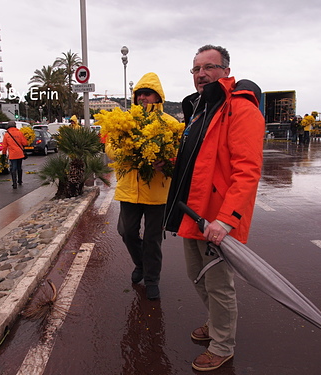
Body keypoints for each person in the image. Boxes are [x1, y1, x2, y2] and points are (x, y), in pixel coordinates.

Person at [163, 45, 265, 371]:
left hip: (216, 219)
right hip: (193, 211)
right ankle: (215, 322)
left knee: (219, 285)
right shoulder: (200, 109)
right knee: (197, 276)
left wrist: (226, 220)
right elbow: (197, 160)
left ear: (225, 70)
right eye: (196, 69)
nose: (201, 74)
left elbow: (247, 171)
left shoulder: (240, 108)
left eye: (209, 67)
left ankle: (223, 344)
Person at [105, 72, 179, 300]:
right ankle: (141, 264)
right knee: (126, 232)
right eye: (139, 94)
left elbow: (179, 155)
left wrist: (167, 160)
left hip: (157, 193)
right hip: (129, 190)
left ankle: (152, 279)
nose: (143, 98)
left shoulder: (170, 124)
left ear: (158, 96)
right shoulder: (125, 121)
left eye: (148, 93)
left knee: (152, 239)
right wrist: (126, 151)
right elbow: (110, 148)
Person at [2, 120, 28, 189]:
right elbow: (25, 143)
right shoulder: (19, 133)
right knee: (19, 167)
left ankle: (14, 183)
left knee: (13, 168)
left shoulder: (6, 135)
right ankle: (20, 180)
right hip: (20, 153)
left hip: (12, 154)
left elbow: (4, 146)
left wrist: (4, 154)